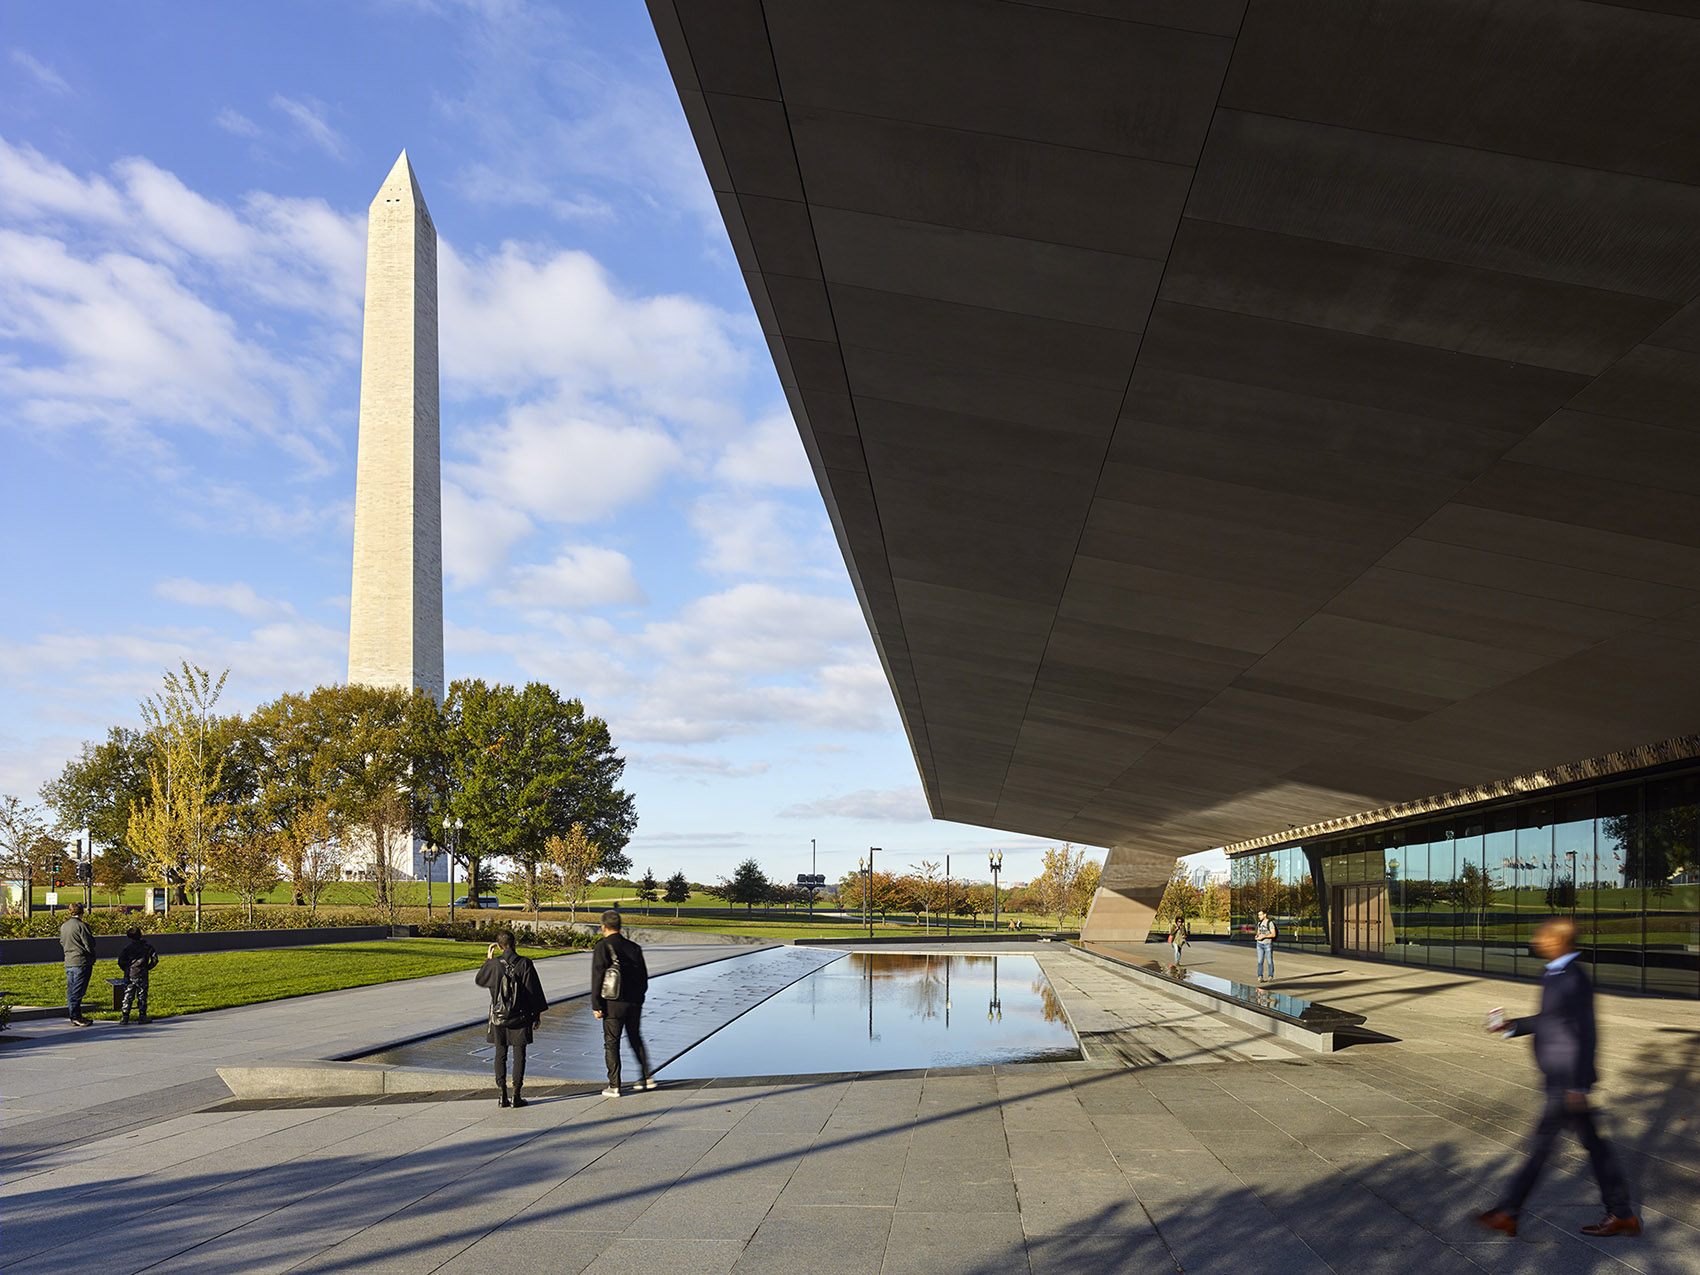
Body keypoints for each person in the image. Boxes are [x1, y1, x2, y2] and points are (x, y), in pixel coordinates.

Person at [1477, 917, 1639, 1239]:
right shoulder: (1553, 974)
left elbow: (1586, 1031)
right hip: (1558, 1077)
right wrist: (1511, 1027)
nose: (1538, 939)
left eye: (1544, 935)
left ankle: (1509, 1212)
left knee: (1542, 1146)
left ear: (1560, 941)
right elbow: (1548, 1020)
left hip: (1567, 1080)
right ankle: (1622, 1214)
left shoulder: (1575, 978)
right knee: (1593, 1145)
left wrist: (1579, 1084)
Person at [475, 930, 547, 1108]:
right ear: (515, 944)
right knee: (519, 1055)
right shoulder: (525, 963)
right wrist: (536, 1016)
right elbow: (533, 992)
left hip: (499, 1017)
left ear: (499, 947)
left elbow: (480, 980)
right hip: (521, 1016)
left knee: (500, 1054)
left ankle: (502, 1095)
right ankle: (516, 1095)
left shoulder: (494, 965)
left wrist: (488, 960)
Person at [590, 910, 652, 1097]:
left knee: (611, 1042)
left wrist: (596, 1004)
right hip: (633, 1002)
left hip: (612, 1004)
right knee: (635, 1038)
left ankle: (614, 1084)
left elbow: (598, 977)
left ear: (603, 927)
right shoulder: (634, 947)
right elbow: (644, 976)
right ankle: (646, 1076)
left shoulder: (602, 947)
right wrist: (639, 997)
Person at [59, 901, 96, 1026]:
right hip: (81, 961)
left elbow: (62, 942)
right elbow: (89, 944)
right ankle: (76, 1016)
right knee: (78, 991)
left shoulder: (64, 926)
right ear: (82, 912)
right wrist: (92, 955)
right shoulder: (82, 926)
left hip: (69, 960)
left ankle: (74, 1015)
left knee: (71, 990)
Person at [115, 925, 159, 1025]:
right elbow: (155, 959)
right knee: (142, 995)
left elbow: (121, 961)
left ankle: (125, 1017)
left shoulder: (127, 948)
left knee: (128, 995)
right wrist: (148, 967)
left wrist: (126, 969)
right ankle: (142, 1016)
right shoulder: (147, 947)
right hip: (142, 974)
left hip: (130, 974)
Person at [1254, 909, 1277, 984]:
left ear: (1265, 915)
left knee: (1269, 961)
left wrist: (1264, 937)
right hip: (1259, 944)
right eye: (1258, 915)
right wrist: (1257, 936)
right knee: (1260, 961)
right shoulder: (1259, 923)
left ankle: (1270, 976)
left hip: (1267, 944)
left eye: (1260, 915)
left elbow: (1273, 934)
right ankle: (1260, 976)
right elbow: (1258, 932)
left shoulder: (1270, 923)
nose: (1259, 916)